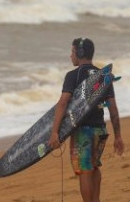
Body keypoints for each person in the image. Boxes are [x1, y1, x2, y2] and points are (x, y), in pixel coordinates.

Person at [49, 37, 124, 202]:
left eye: (72, 51)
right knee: (94, 166)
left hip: (83, 132)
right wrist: (118, 136)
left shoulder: (73, 76)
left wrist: (55, 132)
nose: (70, 56)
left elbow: (62, 104)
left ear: (79, 53)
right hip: (100, 130)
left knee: (85, 170)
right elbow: (113, 109)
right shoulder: (103, 76)